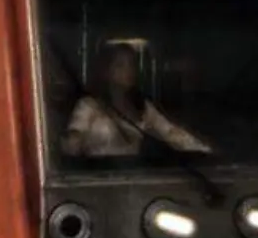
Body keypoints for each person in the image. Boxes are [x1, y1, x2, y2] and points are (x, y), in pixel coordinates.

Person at [60, 41, 210, 158]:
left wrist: (205, 151)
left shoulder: (143, 107)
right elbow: (73, 144)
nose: (128, 70)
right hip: (94, 177)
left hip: (133, 176)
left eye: (132, 65)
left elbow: (172, 134)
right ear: (105, 71)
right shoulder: (89, 106)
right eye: (120, 65)